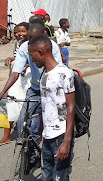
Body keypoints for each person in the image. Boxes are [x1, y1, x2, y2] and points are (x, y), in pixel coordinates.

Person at [0, 22, 65, 167]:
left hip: (52, 89)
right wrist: (2, 93)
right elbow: (16, 71)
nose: (30, 42)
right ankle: (31, 157)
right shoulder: (24, 47)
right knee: (23, 124)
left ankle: (56, 154)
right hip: (35, 88)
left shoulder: (51, 46)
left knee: (54, 125)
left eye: (34, 39)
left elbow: (57, 70)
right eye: (29, 39)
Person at [28, 35, 76, 181]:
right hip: (48, 136)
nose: (32, 60)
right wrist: (43, 130)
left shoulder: (64, 73)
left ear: (41, 52)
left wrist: (66, 141)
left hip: (61, 135)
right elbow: (47, 106)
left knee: (60, 177)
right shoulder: (44, 75)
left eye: (33, 56)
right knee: (46, 175)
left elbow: (71, 107)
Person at [0, 22, 31, 148]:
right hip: (16, 77)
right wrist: (10, 58)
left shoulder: (32, 44)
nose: (19, 34)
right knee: (11, 103)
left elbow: (37, 60)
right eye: (16, 32)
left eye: (22, 31)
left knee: (29, 105)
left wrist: (27, 66)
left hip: (28, 77)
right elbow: (18, 58)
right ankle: (6, 135)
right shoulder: (17, 44)